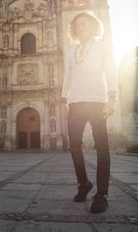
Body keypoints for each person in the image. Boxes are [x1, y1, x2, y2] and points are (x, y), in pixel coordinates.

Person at [61, 11, 117, 213]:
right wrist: (63, 99)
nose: (80, 27)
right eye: (77, 25)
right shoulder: (72, 51)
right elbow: (67, 76)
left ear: (93, 25)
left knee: (102, 146)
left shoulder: (103, 47)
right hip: (75, 103)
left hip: (97, 101)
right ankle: (83, 183)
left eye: (84, 23)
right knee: (74, 145)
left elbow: (111, 72)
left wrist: (112, 98)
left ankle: (102, 194)